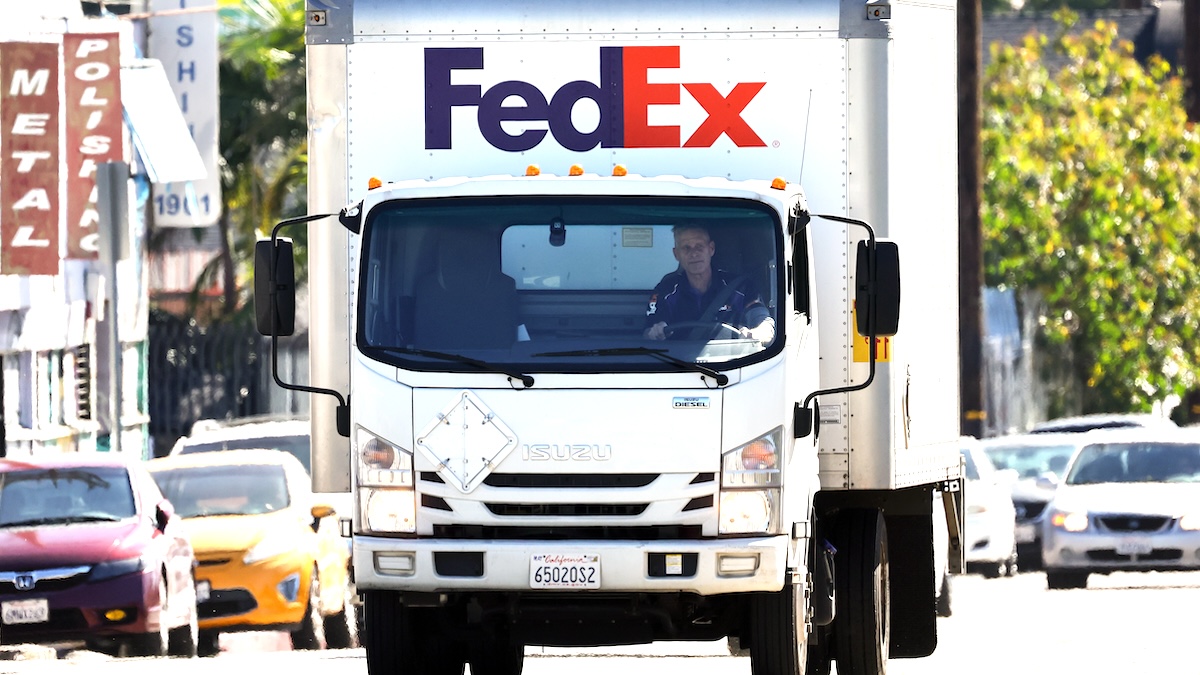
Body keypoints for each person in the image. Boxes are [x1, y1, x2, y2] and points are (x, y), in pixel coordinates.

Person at [644, 225, 775, 344]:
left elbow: (765, 323)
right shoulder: (665, 290)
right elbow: (647, 332)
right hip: (676, 361)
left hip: (733, 360)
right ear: (676, 254)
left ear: (711, 249)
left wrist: (758, 333)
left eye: (699, 246)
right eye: (686, 248)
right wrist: (655, 331)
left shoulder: (741, 287)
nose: (694, 254)